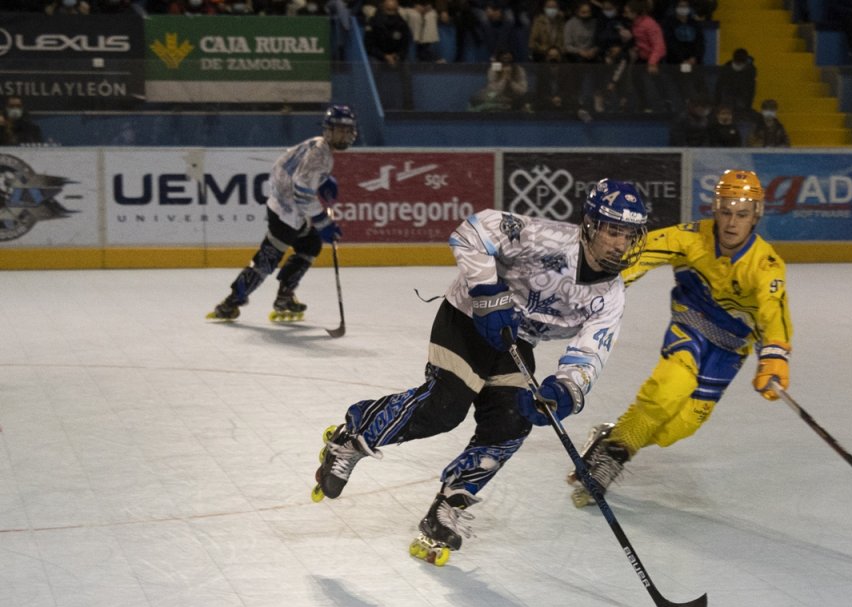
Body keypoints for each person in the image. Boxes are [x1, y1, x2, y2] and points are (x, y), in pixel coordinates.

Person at [311, 180, 650, 566]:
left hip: (515, 341)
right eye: (612, 230)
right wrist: (488, 291)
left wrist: (563, 390)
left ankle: (447, 506)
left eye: (628, 234)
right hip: (468, 317)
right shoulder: (549, 239)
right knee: (445, 407)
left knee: (512, 421)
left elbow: (591, 353)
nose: (620, 244)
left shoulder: (612, 295)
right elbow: (475, 229)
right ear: (590, 224)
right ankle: (352, 436)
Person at [565, 169, 793, 507]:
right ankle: (609, 460)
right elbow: (637, 256)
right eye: (726, 212)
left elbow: (773, 311)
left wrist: (774, 355)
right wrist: (597, 289)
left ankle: (612, 436)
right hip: (691, 327)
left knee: (679, 428)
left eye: (742, 215)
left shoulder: (766, 265)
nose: (732, 223)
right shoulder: (690, 238)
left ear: (755, 215)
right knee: (668, 391)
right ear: (715, 210)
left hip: (730, 351)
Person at [206, 105, 355, 322]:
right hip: (286, 215)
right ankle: (231, 302)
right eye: (340, 130)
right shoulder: (320, 156)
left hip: (287, 209)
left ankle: (284, 296)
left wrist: (321, 181)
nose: (345, 135)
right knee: (267, 261)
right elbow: (303, 190)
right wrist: (323, 221)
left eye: (347, 130)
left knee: (310, 244)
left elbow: (283, 167)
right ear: (328, 130)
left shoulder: (316, 145)